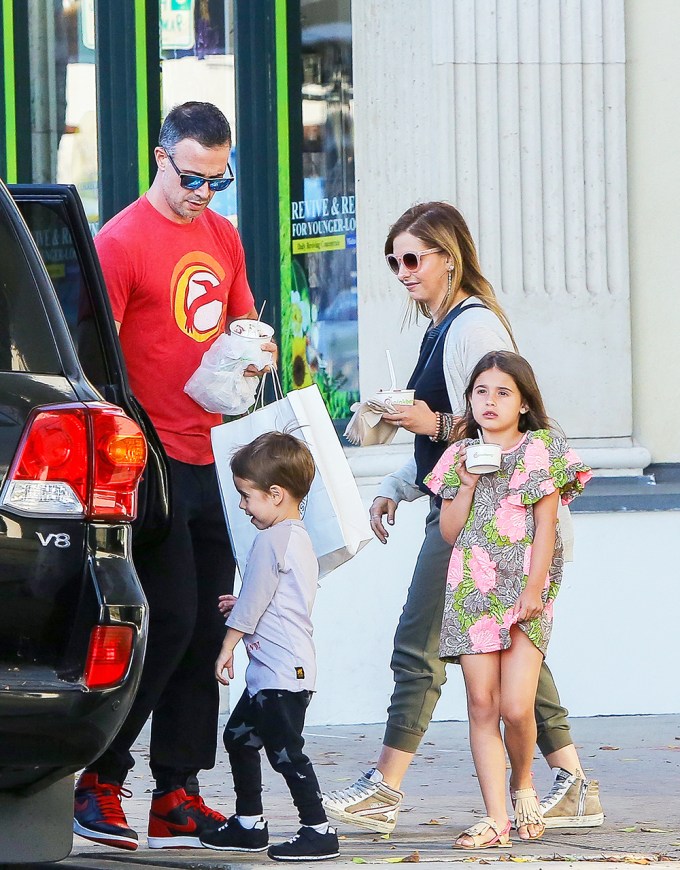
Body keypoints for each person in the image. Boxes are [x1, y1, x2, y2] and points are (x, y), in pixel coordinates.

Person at [322, 202, 604, 833]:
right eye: (393, 262)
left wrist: (431, 424)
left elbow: (500, 429)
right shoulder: (441, 325)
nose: (402, 272)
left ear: (449, 257)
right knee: (511, 657)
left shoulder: (473, 329)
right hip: (467, 512)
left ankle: (386, 787)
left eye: (413, 259)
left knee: (418, 647)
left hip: (489, 522)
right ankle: (573, 783)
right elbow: (444, 440)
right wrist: (398, 481)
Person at [73, 102, 276, 851]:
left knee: (209, 629)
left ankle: (178, 793)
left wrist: (254, 349)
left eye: (218, 180)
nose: (203, 192)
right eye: (192, 176)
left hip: (214, 454)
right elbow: (94, 365)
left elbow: (243, 321)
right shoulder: (120, 242)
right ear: (160, 157)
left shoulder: (222, 235)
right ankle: (99, 777)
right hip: (149, 458)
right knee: (170, 619)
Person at [424, 351, 591, 847]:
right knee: (481, 703)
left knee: (517, 707)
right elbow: (451, 533)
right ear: (470, 401)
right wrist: (469, 482)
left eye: (503, 392)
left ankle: (524, 784)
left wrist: (535, 589)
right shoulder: (456, 456)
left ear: (522, 403)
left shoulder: (542, 449)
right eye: (481, 391)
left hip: (525, 590)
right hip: (472, 591)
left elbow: (546, 526)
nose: (490, 401)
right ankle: (497, 818)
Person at [199, 432, 340, 862]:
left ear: (275, 494)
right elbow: (271, 596)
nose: (243, 506)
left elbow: (257, 599)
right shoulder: (295, 537)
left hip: (282, 673)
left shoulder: (272, 539)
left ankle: (318, 829)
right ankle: (248, 823)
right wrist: (242, 602)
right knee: (239, 737)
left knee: (285, 752)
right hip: (275, 672)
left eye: (247, 496)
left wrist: (226, 646)